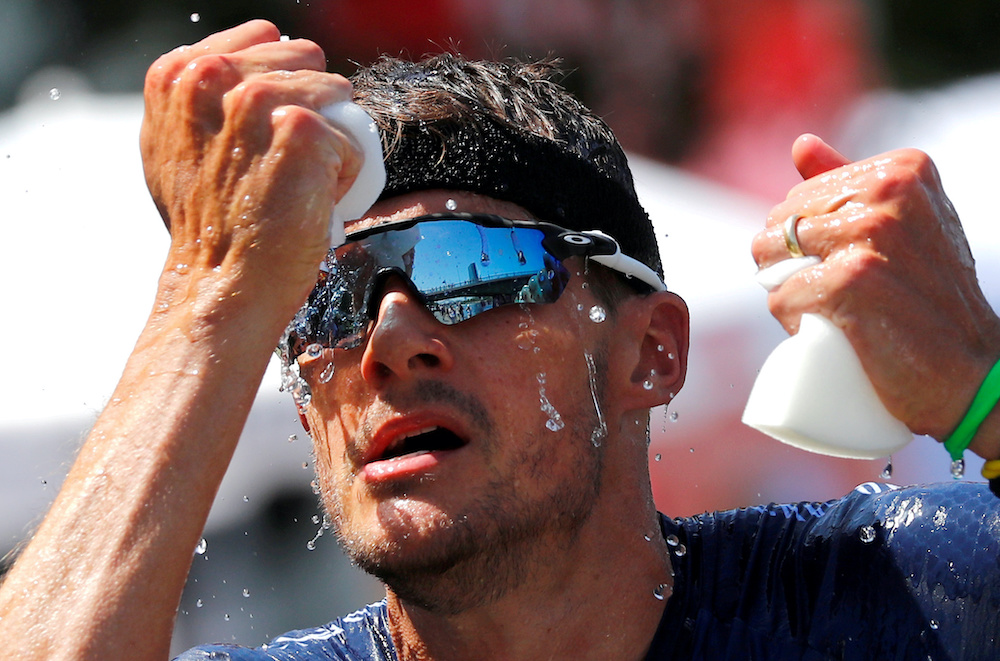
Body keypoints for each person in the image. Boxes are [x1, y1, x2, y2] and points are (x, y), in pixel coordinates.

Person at [1, 19, 1000, 660]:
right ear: (305, 412)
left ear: (651, 351)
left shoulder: (889, 602)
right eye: (327, 299)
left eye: (471, 265)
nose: (391, 339)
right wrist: (208, 295)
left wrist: (979, 382)